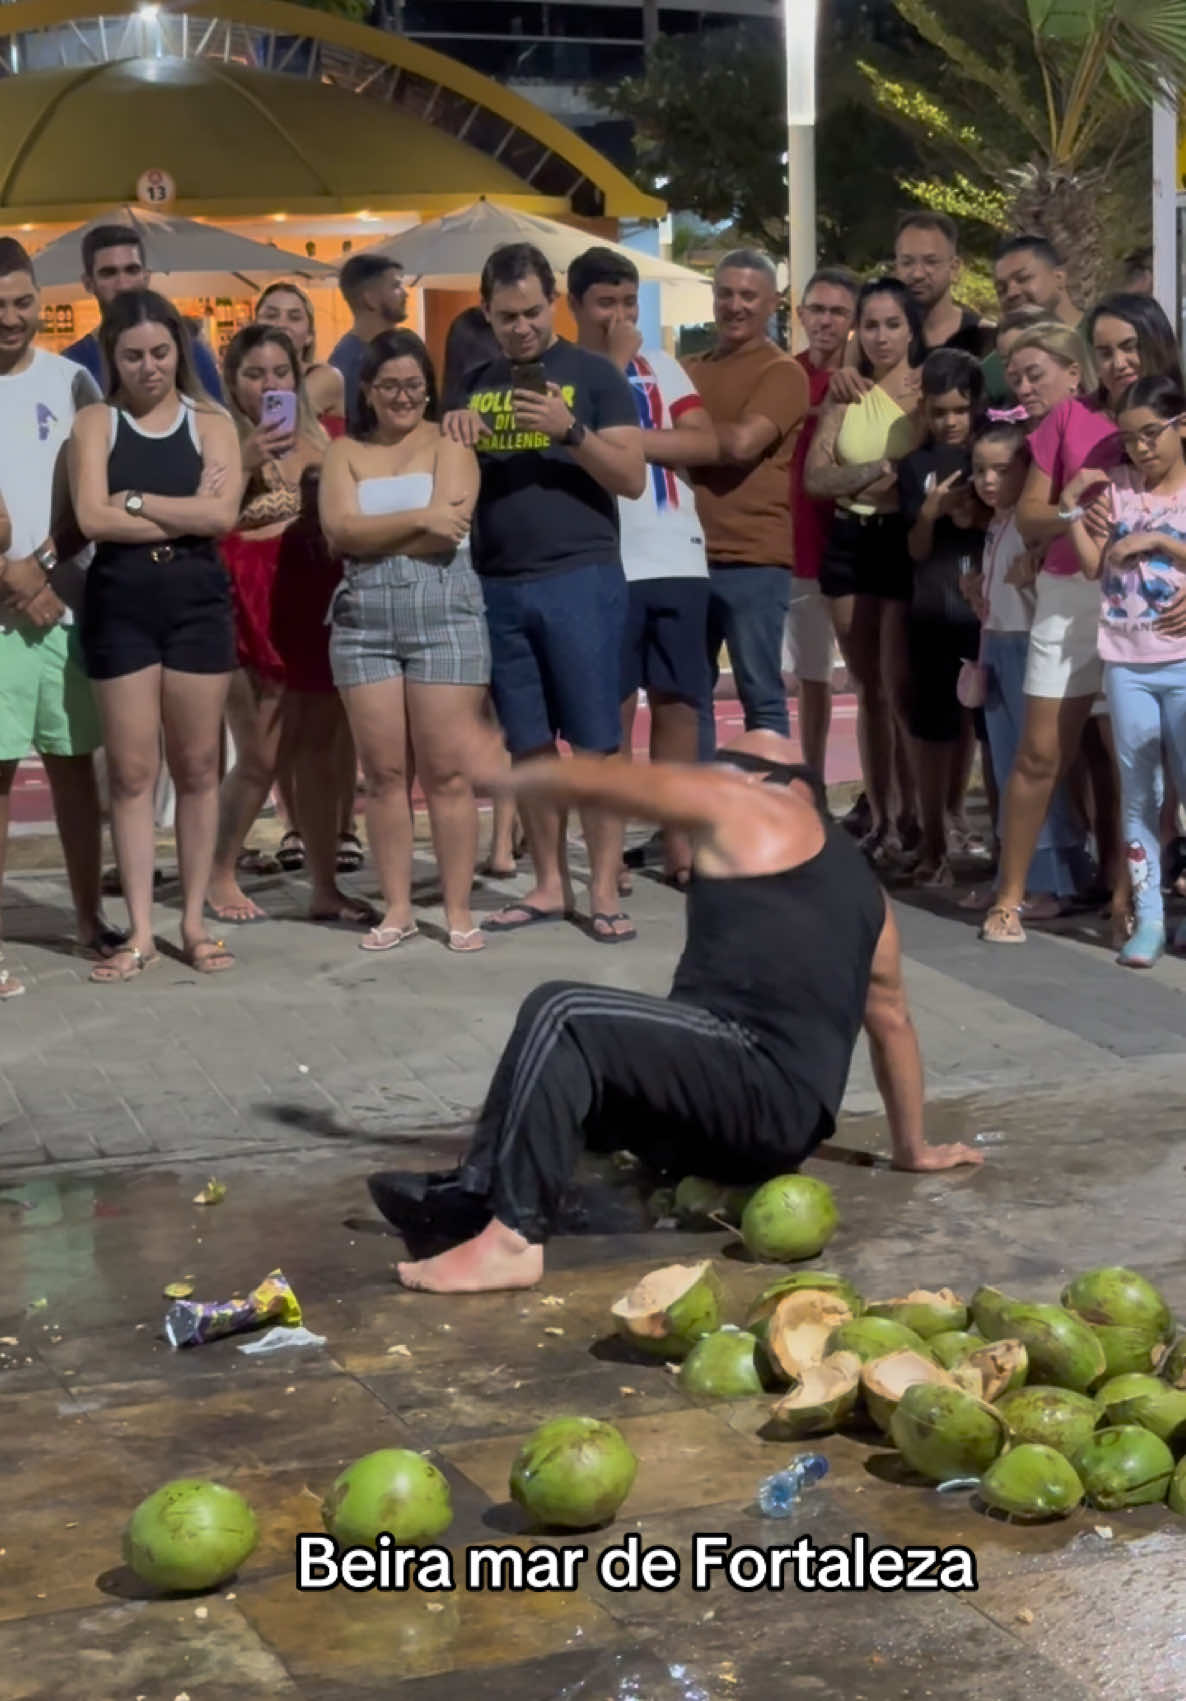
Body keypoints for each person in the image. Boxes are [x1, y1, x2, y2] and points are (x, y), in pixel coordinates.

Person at [365, 732, 983, 1294]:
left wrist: (505, 775)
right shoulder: (865, 892)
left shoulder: (759, 804)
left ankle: (511, 1240)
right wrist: (913, 1147)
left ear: (782, 785)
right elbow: (893, 1020)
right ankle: (472, 1195)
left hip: (747, 1080)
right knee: (567, 1071)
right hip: (773, 1134)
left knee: (564, 1013)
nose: (714, 781)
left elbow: (622, 783)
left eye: (729, 769)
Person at [442, 242, 646, 944]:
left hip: (580, 575)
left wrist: (571, 432)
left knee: (596, 744)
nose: (521, 328)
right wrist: (454, 436)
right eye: (506, 317)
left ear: (553, 300)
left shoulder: (592, 375)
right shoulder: (469, 383)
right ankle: (550, 883)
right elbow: (448, 481)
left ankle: (603, 887)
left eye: (532, 312)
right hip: (498, 579)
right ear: (487, 314)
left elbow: (632, 475)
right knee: (529, 745)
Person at [982, 300, 1183, 943]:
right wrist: (1072, 512)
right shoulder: (1070, 417)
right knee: (1041, 751)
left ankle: (1131, 902)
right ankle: (1008, 898)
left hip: (1156, 605)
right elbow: (1030, 516)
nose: (1118, 361)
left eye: (1129, 346)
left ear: (1154, 344)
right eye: (1104, 350)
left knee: (1145, 764)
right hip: (1071, 595)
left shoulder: (1174, 411)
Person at [70, 290, 242, 979]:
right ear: (112, 356)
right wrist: (185, 513)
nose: (149, 367)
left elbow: (223, 515)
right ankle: (141, 929)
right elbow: (90, 518)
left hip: (197, 599)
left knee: (199, 766)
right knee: (135, 772)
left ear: (181, 349)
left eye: (162, 352)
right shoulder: (95, 423)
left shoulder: (212, 421)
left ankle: (193, 919)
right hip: (121, 603)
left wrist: (135, 500)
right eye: (134, 355)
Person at [321, 330, 490, 953]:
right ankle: (396, 907)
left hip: (446, 612)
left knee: (447, 773)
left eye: (414, 385)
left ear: (429, 388)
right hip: (363, 621)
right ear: (367, 389)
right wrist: (418, 517)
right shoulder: (344, 453)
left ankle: (457, 908)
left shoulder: (450, 440)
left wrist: (379, 530)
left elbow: (452, 531)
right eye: (389, 385)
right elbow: (339, 530)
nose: (402, 397)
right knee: (385, 773)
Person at [206, 324, 371, 930]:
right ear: (234, 381)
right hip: (249, 606)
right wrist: (246, 459)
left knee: (323, 752)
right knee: (261, 753)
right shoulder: (219, 438)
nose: (269, 385)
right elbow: (207, 514)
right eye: (254, 374)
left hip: (317, 600)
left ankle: (324, 885)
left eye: (280, 373)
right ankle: (219, 871)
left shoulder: (327, 442)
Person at [566, 245, 717, 890]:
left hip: (678, 553)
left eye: (629, 303)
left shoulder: (664, 366)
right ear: (574, 306)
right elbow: (567, 441)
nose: (620, 315)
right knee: (614, 709)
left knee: (681, 702)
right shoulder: (565, 372)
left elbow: (706, 442)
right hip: (607, 559)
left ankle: (678, 840)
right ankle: (611, 849)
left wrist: (623, 446)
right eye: (606, 304)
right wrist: (612, 373)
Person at [0, 239, 119, 999]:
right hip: (3, 612)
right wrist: (11, 580)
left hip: (64, 605)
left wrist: (40, 567)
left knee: (78, 768)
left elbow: (88, 495)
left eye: (20, 301)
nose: (10, 317)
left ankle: (88, 915)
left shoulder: (73, 379)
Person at [806, 276, 925, 868]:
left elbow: (917, 477)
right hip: (850, 542)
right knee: (868, 690)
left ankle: (919, 815)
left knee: (898, 685)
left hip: (901, 544)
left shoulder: (928, 389)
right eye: (871, 326)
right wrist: (877, 468)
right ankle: (881, 818)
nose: (881, 337)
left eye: (892, 325)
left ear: (912, 329)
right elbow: (816, 478)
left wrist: (879, 478)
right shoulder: (844, 392)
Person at [1068, 375, 1186, 967]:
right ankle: (1150, 920)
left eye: (1152, 435)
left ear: (1181, 424)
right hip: (1127, 662)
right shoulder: (1115, 493)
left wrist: (1156, 543)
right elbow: (1092, 566)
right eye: (1129, 440)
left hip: (1184, 662)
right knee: (1139, 792)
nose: (1141, 449)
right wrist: (1072, 506)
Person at [253, 281, 361, 879]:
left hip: (323, 559)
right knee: (280, 712)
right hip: (262, 567)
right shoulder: (240, 397)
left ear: (309, 331)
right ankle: (294, 824)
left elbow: (310, 395)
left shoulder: (325, 384)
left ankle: (343, 824)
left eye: (295, 316)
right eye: (272, 315)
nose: (286, 324)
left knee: (335, 709)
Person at [963, 418, 1090, 917]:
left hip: (1026, 649)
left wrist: (1025, 582)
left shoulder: (1028, 524)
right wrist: (980, 594)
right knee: (1005, 765)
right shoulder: (998, 522)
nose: (987, 481)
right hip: (998, 644)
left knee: (1030, 766)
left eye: (1000, 470)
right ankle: (1018, 875)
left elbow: (1046, 598)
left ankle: (1051, 882)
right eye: (978, 471)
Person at [683, 251, 809, 751]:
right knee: (687, 697)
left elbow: (742, 445)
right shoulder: (688, 368)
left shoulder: (782, 373)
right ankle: (696, 821)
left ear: (772, 303)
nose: (734, 305)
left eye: (748, 295)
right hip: (687, 557)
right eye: (725, 293)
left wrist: (672, 442)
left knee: (762, 695)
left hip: (754, 559)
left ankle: (772, 816)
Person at [897, 349, 988, 883]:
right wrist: (931, 513)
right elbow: (914, 548)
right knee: (931, 734)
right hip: (932, 610)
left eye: (959, 409)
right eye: (939, 411)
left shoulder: (994, 457)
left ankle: (989, 843)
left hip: (983, 615)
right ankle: (933, 846)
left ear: (975, 406)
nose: (950, 421)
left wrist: (974, 509)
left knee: (982, 732)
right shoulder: (915, 466)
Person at [441, 304, 519, 883]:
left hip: (499, 564)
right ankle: (495, 841)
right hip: (471, 565)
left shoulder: (526, 406)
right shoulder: (450, 419)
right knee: (484, 715)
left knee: (502, 713)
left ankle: (501, 841)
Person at [786, 267, 860, 780]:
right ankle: (809, 784)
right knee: (811, 679)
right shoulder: (782, 376)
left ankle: (880, 797)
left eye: (838, 312)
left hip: (853, 552)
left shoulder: (865, 384)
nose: (826, 321)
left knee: (870, 683)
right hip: (795, 548)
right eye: (818, 309)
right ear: (800, 314)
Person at [64, 225, 223, 401]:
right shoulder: (71, 364)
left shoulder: (191, 351)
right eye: (108, 273)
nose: (123, 284)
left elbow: (220, 420)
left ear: (146, 277)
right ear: (88, 283)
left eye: (132, 270)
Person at [982, 236, 1082, 405]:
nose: (1011, 293)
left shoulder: (1106, 334)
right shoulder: (992, 371)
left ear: (1059, 277)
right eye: (1001, 289)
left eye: (1023, 279)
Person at [894, 212, 995, 357]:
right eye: (907, 262)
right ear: (896, 269)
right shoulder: (882, 342)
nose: (917, 274)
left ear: (954, 268)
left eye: (931, 262)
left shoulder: (985, 339)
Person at [328, 255, 408, 426]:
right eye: (396, 286)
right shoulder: (348, 363)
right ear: (370, 299)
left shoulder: (396, 349)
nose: (405, 293)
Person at [255, 281, 346, 423]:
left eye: (294, 318)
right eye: (271, 316)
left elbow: (278, 421)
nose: (281, 325)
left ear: (309, 336)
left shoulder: (327, 378)